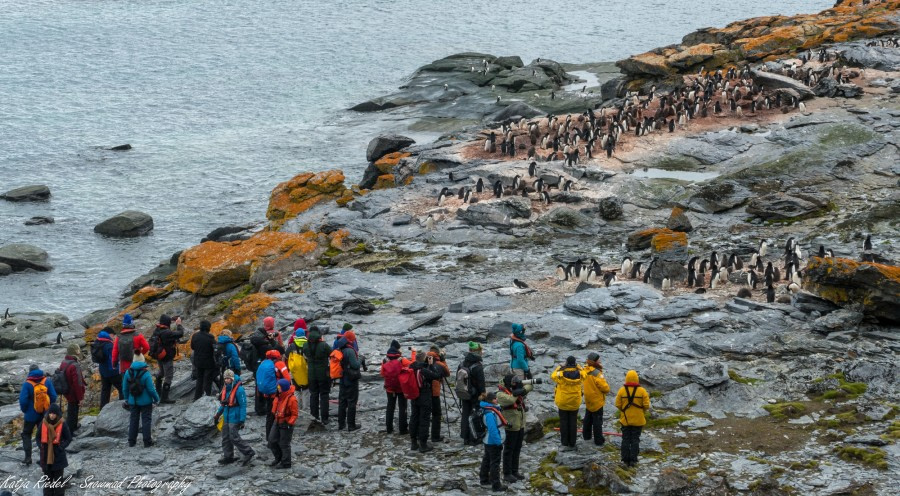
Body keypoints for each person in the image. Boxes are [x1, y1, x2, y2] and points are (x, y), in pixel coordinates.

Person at [214, 370, 255, 466]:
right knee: (225, 437)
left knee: (234, 437)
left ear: (232, 378)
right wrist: (217, 415)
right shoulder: (225, 388)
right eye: (225, 378)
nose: (227, 380)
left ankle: (248, 452)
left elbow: (243, 405)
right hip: (227, 416)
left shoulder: (239, 390)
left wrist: (242, 420)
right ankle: (228, 456)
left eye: (228, 378)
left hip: (235, 417)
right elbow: (223, 404)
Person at [19, 367, 58, 465]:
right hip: (44, 414)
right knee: (43, 435)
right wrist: (48, 408)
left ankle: (28, 458)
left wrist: (26, 410)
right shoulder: (47, 381)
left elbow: (23, 400)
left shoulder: (27, 384)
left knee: (26, 434)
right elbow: (53, 396)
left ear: (30, 372)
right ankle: (44, 458)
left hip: (30, 415)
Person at [497, 374, 532, 483]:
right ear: (508, 383)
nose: (514, 384)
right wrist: (519, 391)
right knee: (508, 450)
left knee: (517, 448)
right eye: (512, 382)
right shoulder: (500, 394)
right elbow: (511, 400)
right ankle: (507, 473)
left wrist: (520, 388)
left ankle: (514, 470)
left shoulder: (514, 388)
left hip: (520, 424)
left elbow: (530, 386)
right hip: (510, 426)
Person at [122, 354, 160, 447]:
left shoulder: (128, 372)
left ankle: (131, 441)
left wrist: (127, 399)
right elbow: (151, 389)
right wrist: (156, 399)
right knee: (146, 420)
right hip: (146, 402)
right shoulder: (146, 373)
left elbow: (125, 388)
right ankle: (147, 442)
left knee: (133, 419)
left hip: (133, 401)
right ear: (143, 361)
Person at [615, 370, 651, 467]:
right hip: (638, 420)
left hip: (625, 419)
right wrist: (641, 411)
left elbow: (617, 404)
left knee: (625, 439)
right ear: (637, 379)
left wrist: (624, 410)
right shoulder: (642, 391)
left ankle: (625, 459)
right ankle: (633, 460)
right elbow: (646, 405)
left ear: (626, 378)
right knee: (635, 439)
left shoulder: (622, 390)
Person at [409, 352, 443, 453]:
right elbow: (437, 376)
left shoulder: (411, 368)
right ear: (424, 359)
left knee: (414, 418)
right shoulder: (423, 370)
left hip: (414, 396)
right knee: (424, 419)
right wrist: (431, 365)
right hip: (424, 396)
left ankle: (414, 442)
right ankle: (423, 444)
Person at [250, 317, 285, 415]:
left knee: (259, 384)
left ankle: (259, 407)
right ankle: (271, 406)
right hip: (271, 364)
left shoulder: (257, 336)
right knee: (272, 383)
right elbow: (281, 348)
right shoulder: (274, 334)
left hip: (258, 365)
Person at [36, 403, 71, 496]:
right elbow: (37, 437)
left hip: (58, 455)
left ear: (58, 414)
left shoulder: (62, 423)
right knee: (48, 480)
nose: (52, 415)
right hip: (45, 455)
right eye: (50, 413)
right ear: (48, 413)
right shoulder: (43, 423)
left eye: (54, 414)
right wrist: (41, 446)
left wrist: (61, 447)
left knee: (58, 481)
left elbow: (68, 438)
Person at [380, 340, 414, 434]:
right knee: (402, 407)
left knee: (390, 407)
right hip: (401, 388)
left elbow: (382, 374)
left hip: (389, 388)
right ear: (398, 349)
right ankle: (403, 429)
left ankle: (389, 428)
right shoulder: (402, 360)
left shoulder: (385, 360)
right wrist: (414, 353)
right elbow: (413, 366)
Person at [150, 314, 184, 404]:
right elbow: (180, 333)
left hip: (159, 355)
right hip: (167, 357)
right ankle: (164, 398)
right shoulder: (167, 333)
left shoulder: (157, 330)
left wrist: (172, 319)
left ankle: (158, 392)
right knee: (168, 377)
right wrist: (179, 324)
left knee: (161, 373)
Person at [551, 356, 583, 451]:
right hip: (575, 401)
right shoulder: (580, 373)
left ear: (566, 363)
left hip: (563, 401)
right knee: (573, 422)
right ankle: (572, 443)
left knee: (563, 421)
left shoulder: (560, 374)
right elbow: (584, 372)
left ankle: (564, 442)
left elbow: (553, 376)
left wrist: (560, 367)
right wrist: (578, 366)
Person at [256, 350, 291, 436]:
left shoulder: (264, 363)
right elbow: (287, 379)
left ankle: (268, 436)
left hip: (267, 393)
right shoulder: (280, 364)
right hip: (277, 394)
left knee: (270, 415)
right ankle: (277, 436)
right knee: (279, 414)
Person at [479, 392, 507, 492]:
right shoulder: (490, 413)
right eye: (495, 398)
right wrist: (498, 442)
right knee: (495, 463)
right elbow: (493, 429)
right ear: (490, 400)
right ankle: (496, 485)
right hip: (493, 441)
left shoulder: (488, 409)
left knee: (486, 459)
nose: (497, 400)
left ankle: (484, 479)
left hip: (488, 440)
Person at [302, 326, 331, 424]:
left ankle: (314, 416)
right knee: (324, 395)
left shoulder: (305, 345)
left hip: (311, 375)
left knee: (313, 395)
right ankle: (325, 418)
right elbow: (332, 354)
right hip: (323, 374)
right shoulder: (324, 345)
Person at [459, 342, 486, 446]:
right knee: (474, 415)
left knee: (465, 414)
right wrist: (483, 393)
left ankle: (465, 437)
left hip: (464, 393)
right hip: (475, 395)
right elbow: (481, 382)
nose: (482, 352)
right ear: (477, 352)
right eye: (480, 351)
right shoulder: (478, 366)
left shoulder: (462, 363)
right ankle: (473, 438)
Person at [267, 379, 298, 469]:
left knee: (284, 444)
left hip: (286, 423)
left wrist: (289, 423)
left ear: (283, 388)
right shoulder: (278, 396)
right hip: (277, 420)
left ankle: (286, 463)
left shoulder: (292, 399)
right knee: (271, 440)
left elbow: (295, 414)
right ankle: (278, 457)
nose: (277, 388)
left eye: (279, 387)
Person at [581, 352, 610, 447]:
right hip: (596, 399)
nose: (600, 361)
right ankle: (598, 440)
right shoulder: (597, 373)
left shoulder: (584, 370)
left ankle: (586, 436)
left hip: (588, 398)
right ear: (594, 361)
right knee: (597, 421)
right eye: (598, 360)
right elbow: (605, 388)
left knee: (588, 418)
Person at [337, 331, 361, 431]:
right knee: (351, 402)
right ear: (351, 340)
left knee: (342, 402)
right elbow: (355, 365)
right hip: (351, 380)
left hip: (342, 379)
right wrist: (360, 359)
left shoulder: (340, 348)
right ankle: (351, 425)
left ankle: (341, 424)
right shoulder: (350, 351)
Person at [59, 344, 86, 434]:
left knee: (71, 409)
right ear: (75, 351)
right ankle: (71, 430)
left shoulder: (64, 362)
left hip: (66, 390)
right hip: (73, 392)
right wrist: (80, 398)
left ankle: (73, 426)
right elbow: (78, 383)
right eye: (78, 350)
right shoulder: (74, 365)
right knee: (73, 410)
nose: (79, 351)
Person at [94, 328, 122, 408]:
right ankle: (122, 407)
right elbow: (112, 359)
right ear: (109, 334)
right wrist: (116, 369)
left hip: (103, 371)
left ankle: (102, 409)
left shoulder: (98, 342)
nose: (114, 337)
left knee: (105, 391)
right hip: (113, 372)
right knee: (122, 388)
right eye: (113, 335)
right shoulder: (109, 345)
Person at [427, 346, 450, 442]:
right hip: (434, 392)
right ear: (437, 353)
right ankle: (435, 436)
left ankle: (420, 435)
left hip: (423, 392)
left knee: (424, 414)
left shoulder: (425, 360)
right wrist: (443, 359)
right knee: (436, 414)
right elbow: (447, 373)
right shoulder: (440, 364)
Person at [191, 320, 217, 400]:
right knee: (207, 379)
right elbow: (215, 349)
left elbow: (192, 347)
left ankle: (197, 397)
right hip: (208, 362)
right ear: (208, 328)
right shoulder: (210, 337)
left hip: (198, 361)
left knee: (199, 379)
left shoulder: (195, 336)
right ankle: (206, 396)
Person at [286, 324, 309, 411]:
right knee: (306, 390)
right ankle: (306, 408)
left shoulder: (292, 345)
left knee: (296, 390)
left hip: (295, 371)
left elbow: (286, 355)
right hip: (306, 370)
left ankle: (297, 408)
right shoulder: (308, 343)